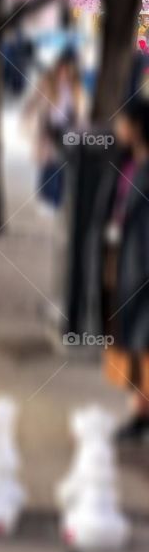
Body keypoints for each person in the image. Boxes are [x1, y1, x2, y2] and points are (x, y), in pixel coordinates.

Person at [103, 100, 149, 443]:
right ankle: (139, 412)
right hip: (127, 262)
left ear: (137, 127)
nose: (118, 129)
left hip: (142, 266)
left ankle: (140, 414)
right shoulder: (129, 162)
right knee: (133, 340)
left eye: (123, 123)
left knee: (143, 341)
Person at [26, 51, 85, 209]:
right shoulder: (48, 82)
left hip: (67, 130)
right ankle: (47, 196)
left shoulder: (75, 87)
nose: (65, 72)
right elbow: (35, 100)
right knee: (48, 162)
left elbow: (80, 110)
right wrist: (30, 114)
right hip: (50, 129)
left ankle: (56, 198)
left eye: (68, 69)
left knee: (62, 163)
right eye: (63, 68)